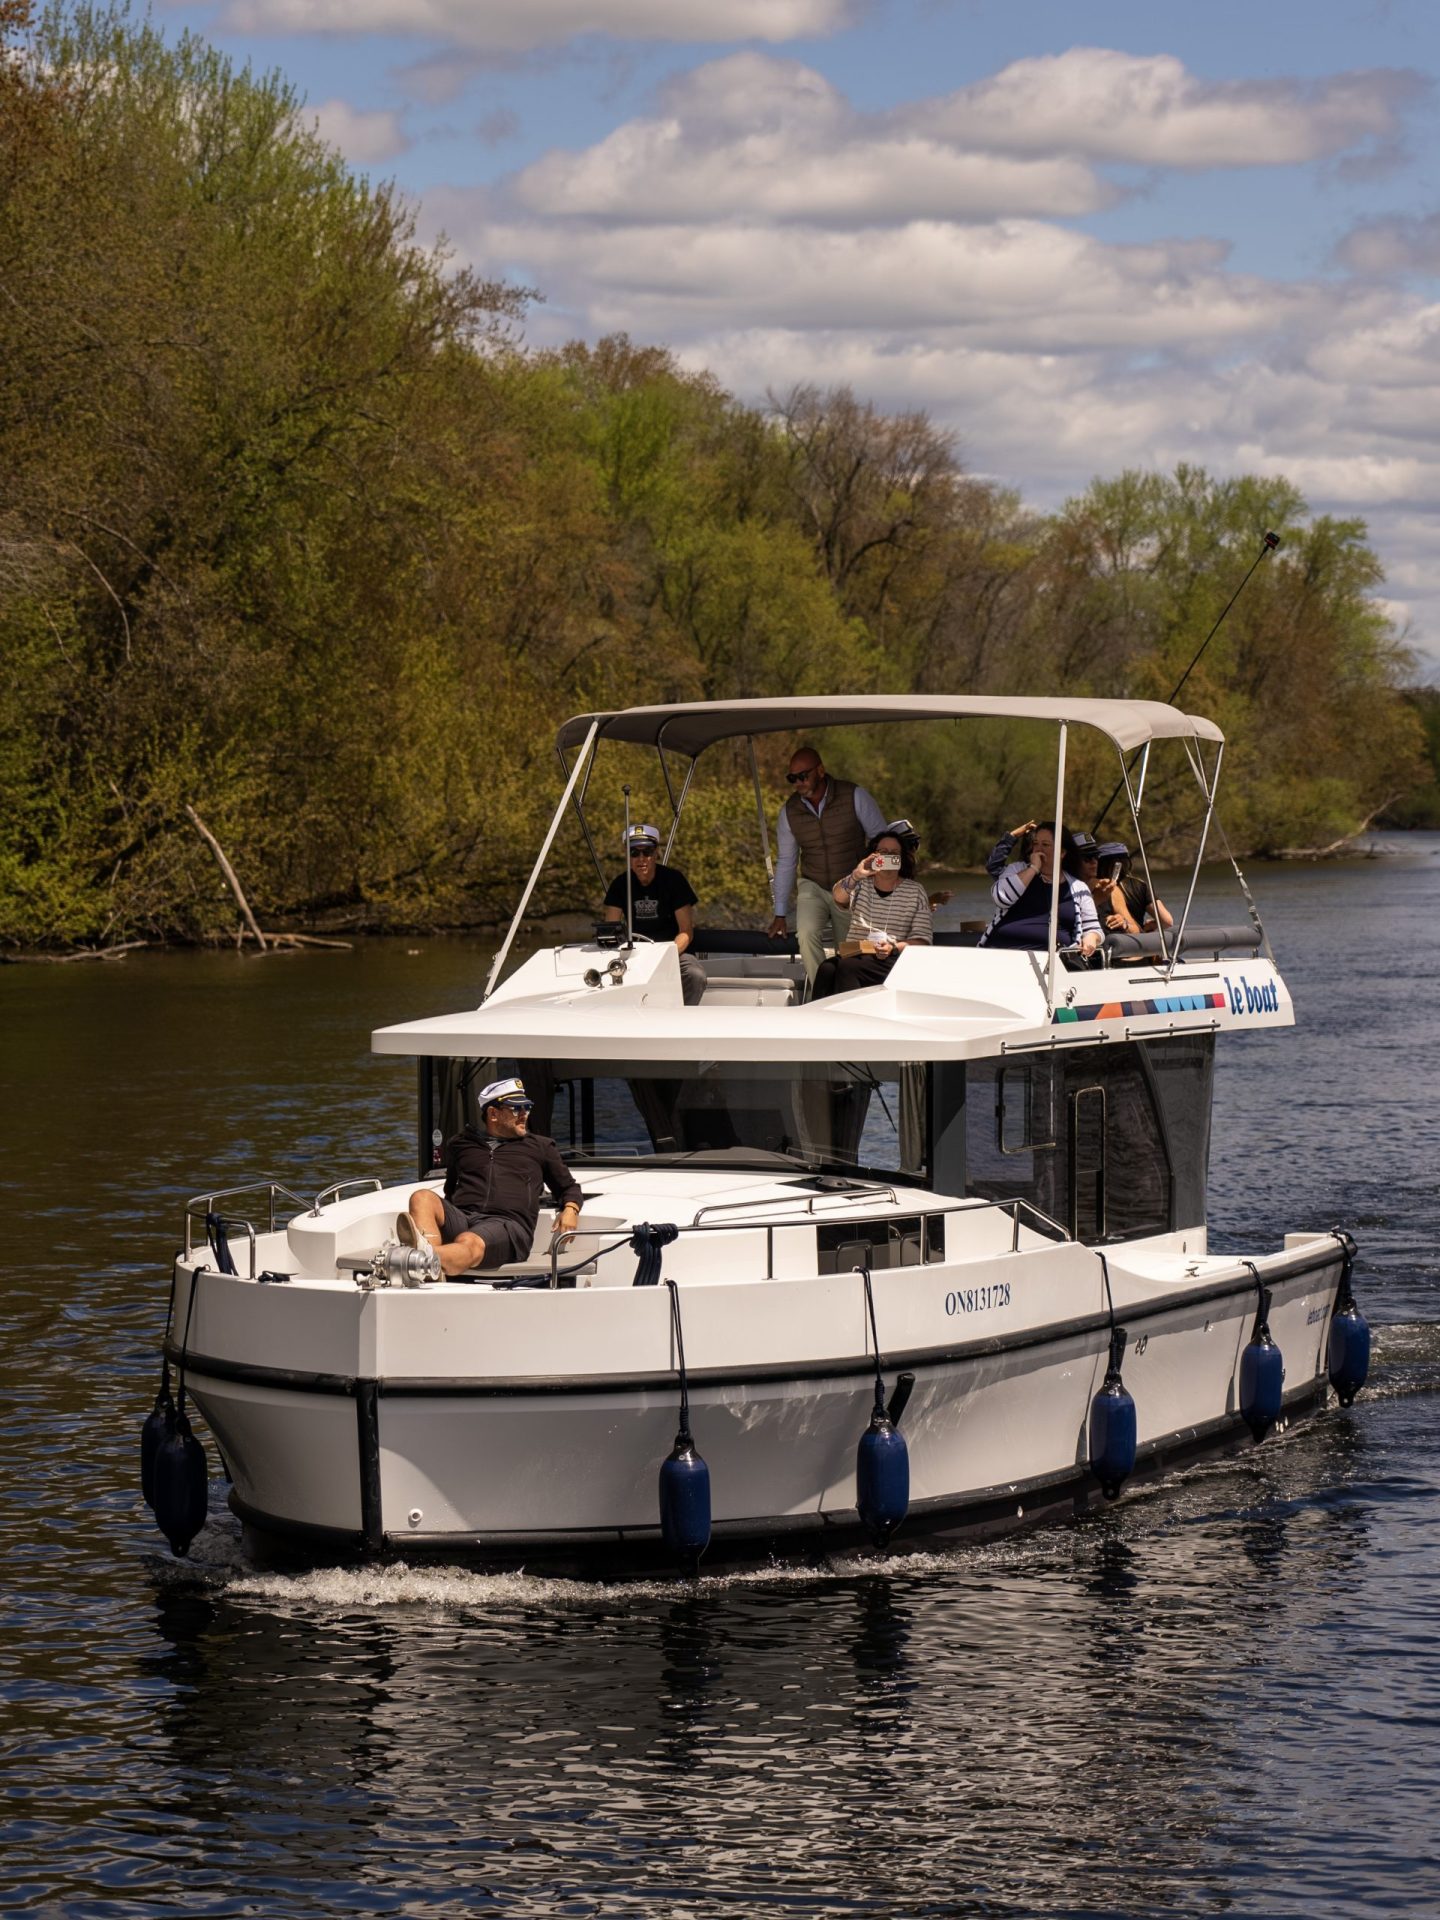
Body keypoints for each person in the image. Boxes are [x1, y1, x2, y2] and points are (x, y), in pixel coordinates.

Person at [398, 1077, 582, 1278]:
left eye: (527, 1107)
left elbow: (568, 1188)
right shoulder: (461, 1144)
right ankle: (430, 1267)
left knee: (469, 1241)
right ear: (493, 1114)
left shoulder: (540, 1147)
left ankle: (418, 1260)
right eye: (516, 1109)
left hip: (508, 1226)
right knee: (421, 1196)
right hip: (464, 1217)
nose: (524, 1115)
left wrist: (571, 1209)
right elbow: (450, 1191)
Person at [766, 745, 887, 990]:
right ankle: (822, 992)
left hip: (853, 884)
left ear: (820, 770)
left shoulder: (854, 795)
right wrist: (780, 913)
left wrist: (883, 889)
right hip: (813, 884)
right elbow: (787, 862)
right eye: (792, 778)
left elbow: (881, 841)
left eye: (803, 775)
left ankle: (848, 995)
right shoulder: (789, 812)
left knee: (849, 948)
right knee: (806, 933)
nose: (798, 782)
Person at [812, 824, 933, 997]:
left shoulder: (915, 891)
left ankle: (850, 1020)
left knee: (848, 968)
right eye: (883, 852)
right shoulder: (861, 884)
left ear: (901, 859)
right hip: (856, 952)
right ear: (874, 856)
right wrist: (857, 874)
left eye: (894, 854)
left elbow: (923, 941)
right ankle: (817, 1019)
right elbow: (838, 897)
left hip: (891, 957)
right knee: (827, 968)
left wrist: (893, 947)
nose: (889, 857)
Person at [604, 824, 707, 1005]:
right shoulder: (619, 884)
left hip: (673, 952)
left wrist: (665, 956)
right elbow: (610, 929)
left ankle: (684, 1020)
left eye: (647, 852)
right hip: (634, 953)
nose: (641, 858)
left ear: (656, 853)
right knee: (605, 974)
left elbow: (686, 932)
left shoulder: (674, 880)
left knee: (695, 975)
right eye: (634, 853)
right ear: (627, 856)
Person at [978, 819, 1103, 956]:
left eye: (1045, 844)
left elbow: (1093, 927)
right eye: (1036, 844)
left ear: (1062, 853)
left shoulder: (1078, 887)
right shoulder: (1016, 870)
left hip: (1055, 961)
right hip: (1003, 953)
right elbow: (1001, 898)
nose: (1038, 849)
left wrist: (1091, 938)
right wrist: (1033, 869)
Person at [1094, 841, 1173, 935]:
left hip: (1108, 941)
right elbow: (1167, 921)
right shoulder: (1139, 885)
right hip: (1135, 941)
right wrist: (1149, 926)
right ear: (1127, 862)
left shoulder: (1096, 886)